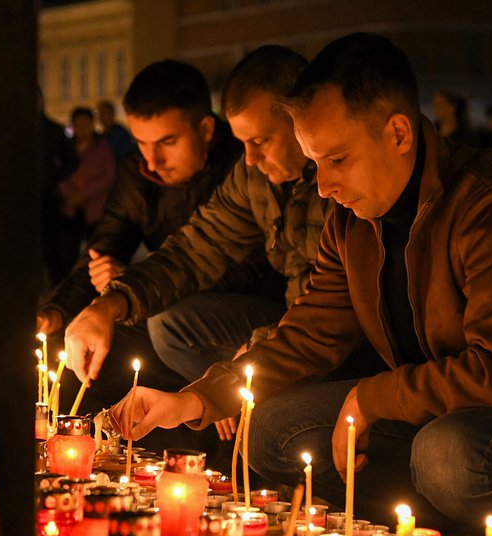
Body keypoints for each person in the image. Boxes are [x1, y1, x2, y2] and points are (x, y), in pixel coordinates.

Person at [109, 33, 492, 536]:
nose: (326, 186)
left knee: (448, 455)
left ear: (399, 132)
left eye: (337, 159)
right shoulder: (352, 220)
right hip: (442, 407)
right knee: (268, 427)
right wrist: (196, 397)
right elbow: (309, 332)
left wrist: (372, 398)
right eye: (315, 163)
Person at [64, 46, 340, 454]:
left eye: (261, 140)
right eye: (244, 141)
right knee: (162, 327)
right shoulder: (253, 176)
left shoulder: (339, 183)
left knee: (269, 431)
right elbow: (195, 250)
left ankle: (244, 421)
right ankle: (231, 412)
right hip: (289, 321)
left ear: (303, 121)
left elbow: (332, 305)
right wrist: (109, 304)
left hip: (329, 333)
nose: (250, 157)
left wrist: (241, 368)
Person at [38, 59, 261, 412]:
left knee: (166, 326)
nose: (152, 160)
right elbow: (102, 249)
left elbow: (254, 269)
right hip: (158, 309)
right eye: (141, 143)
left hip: (231, 320)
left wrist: (132, 285)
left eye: (167, 142)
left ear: (205, 129)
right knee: (66, 354)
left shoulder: (248, 163)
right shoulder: (136, 174)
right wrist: (56, 311)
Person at [40, 90, 79, 286]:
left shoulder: (53, 130)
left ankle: (57, 291)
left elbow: (72, 160)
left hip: (47, 196)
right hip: (19, 198)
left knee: (51, 247)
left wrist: (55, 177)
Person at [60, 107, 116, 244]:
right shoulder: (65, 148)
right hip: (70, 207)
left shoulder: (102, 148)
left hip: (95, 207)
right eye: (79, 123)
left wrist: (85, 194)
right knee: (68, 250)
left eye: (86, 123)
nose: (83, 127)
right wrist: (69, 194)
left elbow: (108, 176)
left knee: (95, 248)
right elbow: (59, 175)